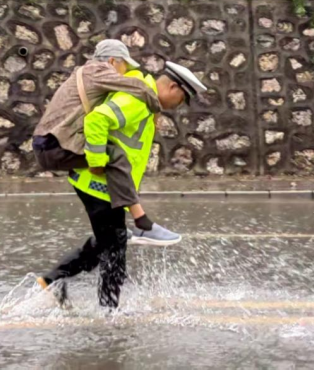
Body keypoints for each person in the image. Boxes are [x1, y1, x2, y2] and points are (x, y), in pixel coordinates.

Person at [37, 60, 207, 309]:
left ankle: (55, 280)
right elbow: (97, 119)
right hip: (98, 183)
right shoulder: (137, 100)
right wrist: (96, 161)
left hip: (105, 186)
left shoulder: (144, 100)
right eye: (181, 99)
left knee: (110, 241)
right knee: (114, 252)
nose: (179, 106)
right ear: (172, 87)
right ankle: (106, 309)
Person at [33, 39, 165, 235]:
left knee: (109, 154)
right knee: (115, 156)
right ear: (113, 61)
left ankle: (118, 227)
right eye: (124, 66)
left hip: (47, 144)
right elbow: (139, 87)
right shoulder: (98, 71)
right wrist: (156, 110)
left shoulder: (83, 72)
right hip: (54, 146)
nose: (125, 72)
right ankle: (141, 219)